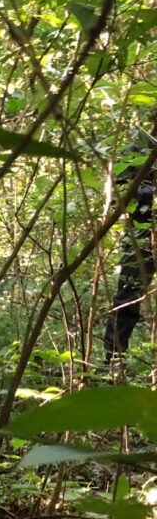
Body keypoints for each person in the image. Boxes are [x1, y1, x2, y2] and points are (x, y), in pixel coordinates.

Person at [103, 143, 155, 361]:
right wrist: (150, 194)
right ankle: (114, 359)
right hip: (141, 237)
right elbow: (118, 196)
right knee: (129, 297)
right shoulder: (135, 151)